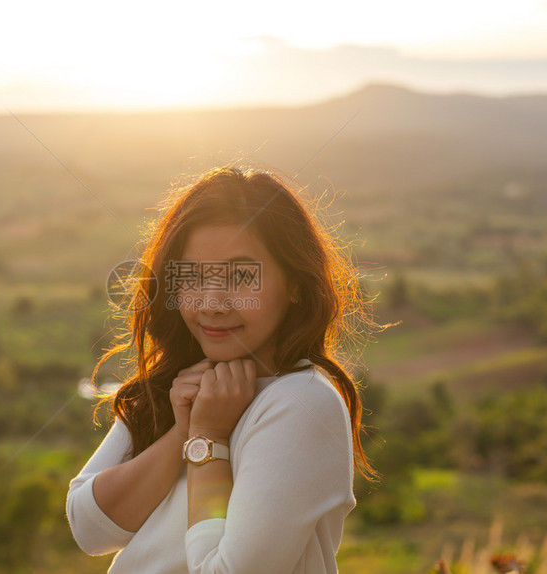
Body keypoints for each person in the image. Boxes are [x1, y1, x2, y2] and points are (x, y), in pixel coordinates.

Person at [66, 165, 378, 573]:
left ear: (297, 283)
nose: (211, 301)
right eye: (192, 275)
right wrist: (183, 431)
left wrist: (208, 442)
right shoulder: (180, 381)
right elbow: (89, 529)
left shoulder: (302, 403)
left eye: (241, 276)